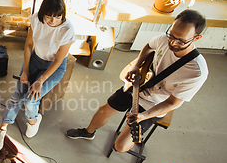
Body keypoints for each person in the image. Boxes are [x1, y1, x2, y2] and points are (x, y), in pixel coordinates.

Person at [67, 9, 208, 153]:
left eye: (181, 40)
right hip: (138, 85)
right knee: (103, 110)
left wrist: (143, 116)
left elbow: (171, 103)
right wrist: (136, 66)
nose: (172, 42)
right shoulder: (164, 39)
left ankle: (134, 137)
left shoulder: (196, 72)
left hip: (154, 105)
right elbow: (149, 46)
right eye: (171, 35)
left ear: (196, 38)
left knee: (120, 147)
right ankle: (88, 133)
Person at [0, 0, 75, 150]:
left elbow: (58, 60)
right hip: (35, 59)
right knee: (18, 96)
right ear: (42, 13)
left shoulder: (67, 30)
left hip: (54, 65)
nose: (53, 21)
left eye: (57, 17)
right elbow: (29, 45)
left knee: (31, 99)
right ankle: (2, 128)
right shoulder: (37, 19)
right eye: (49, 16)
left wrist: (40, 81)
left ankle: (33, 120)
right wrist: (25, 70)